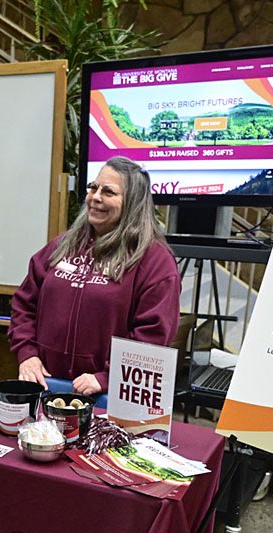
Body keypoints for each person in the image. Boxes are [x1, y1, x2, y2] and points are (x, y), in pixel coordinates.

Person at [10, 156, 180, 396]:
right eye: (93, 187)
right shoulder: (64, 245)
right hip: (45, 387)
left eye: (108, 192)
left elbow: (152, 336)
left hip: (105, 396)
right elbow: (24, 303)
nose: (95, 197)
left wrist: (108, 378)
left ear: (132, 203)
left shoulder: (155, 261)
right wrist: (27, 355)